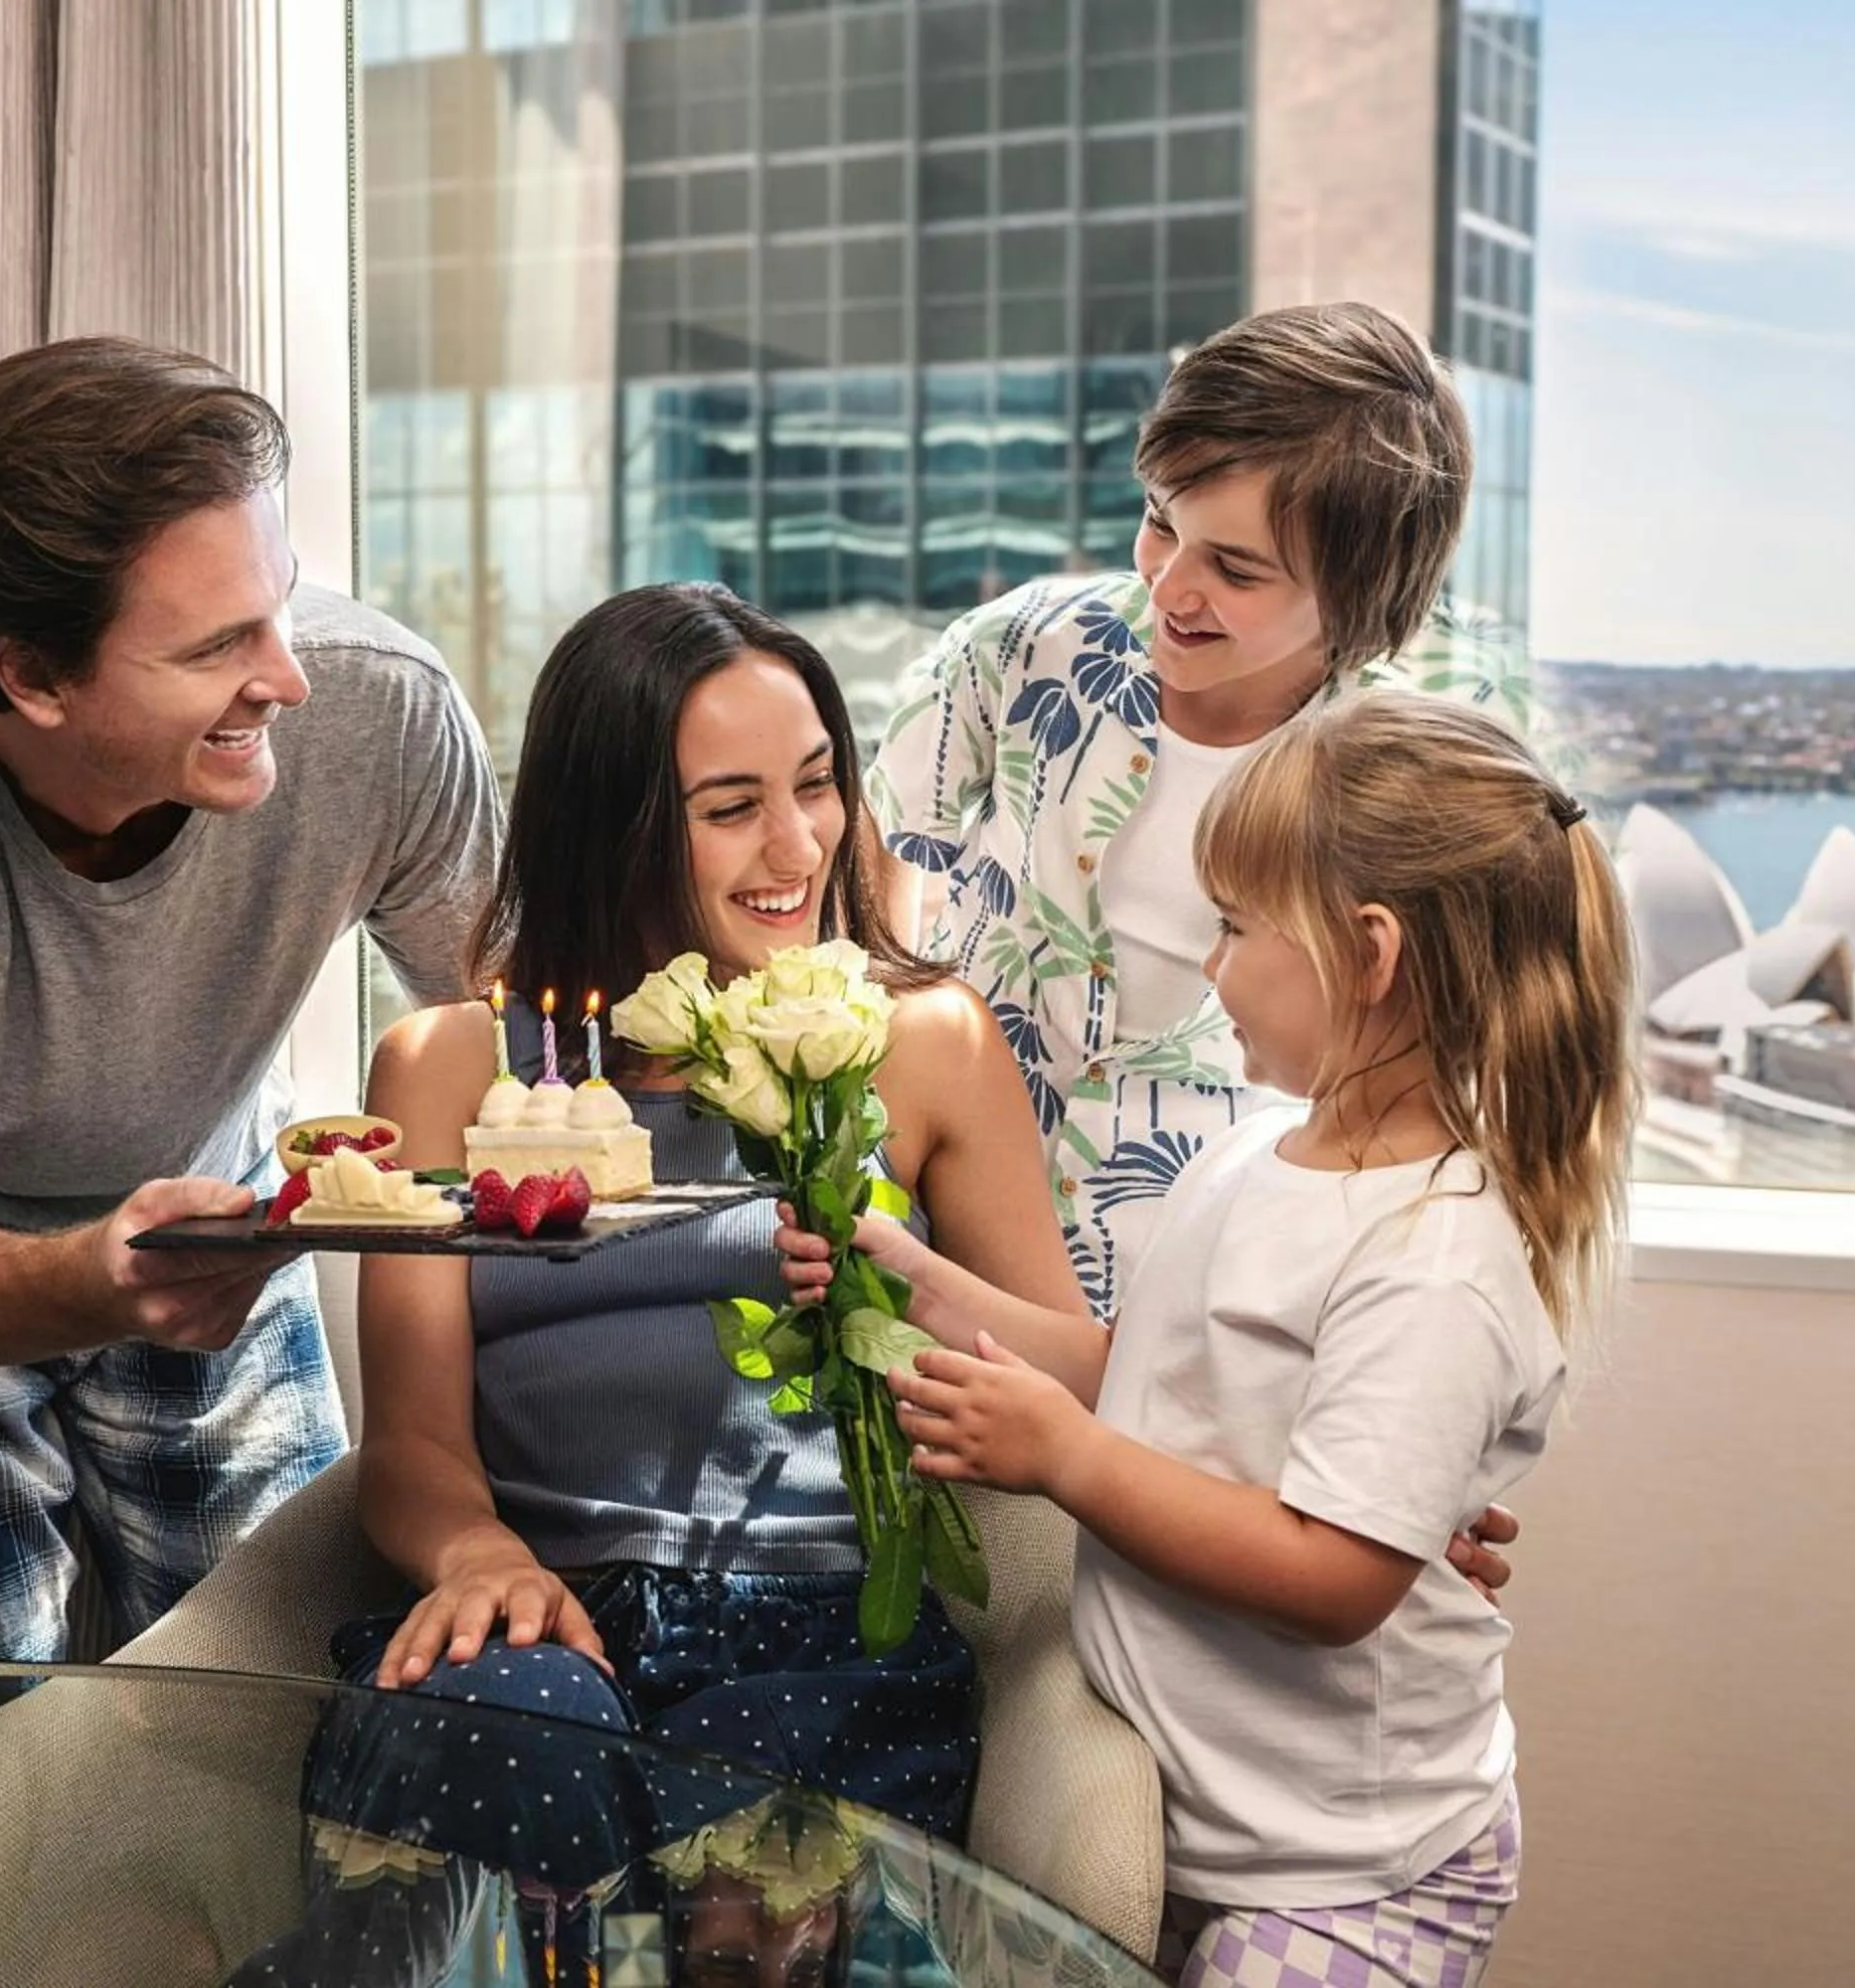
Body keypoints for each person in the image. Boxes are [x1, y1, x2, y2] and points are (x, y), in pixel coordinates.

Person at [233, 581, 1089, 1985]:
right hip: (539, 1607)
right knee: (515, 1741)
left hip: (816, 1636)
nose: (797, 844)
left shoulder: (921, 1039)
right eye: (731, 804)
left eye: (817, 786)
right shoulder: (450, 1066)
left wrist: (908, 1282)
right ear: (615, 827)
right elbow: (417, 1448)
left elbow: (1075, 1371)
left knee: (749, 1901)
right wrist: (476, 1555)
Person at [793, 691, 1637, 1987]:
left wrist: (1066, 1461)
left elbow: (1331, 1582)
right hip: (1213, 1834)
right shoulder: (1256, 1155)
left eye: (1241, 926)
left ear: (1369, 955)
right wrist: (904, 1282)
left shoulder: (1435, 1259)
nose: (1209, 959)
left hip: (1349, 1877)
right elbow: (1139, 1365)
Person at [0, 335, 500, 1671]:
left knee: (267, 1692)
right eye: (217, 645)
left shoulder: (384, 718)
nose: (290, 677)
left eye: (283, 605)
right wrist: (92, 1277)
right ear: (34, 677)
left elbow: (531, 1040)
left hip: (208, 1186)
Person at [868, 300, 1551, 1321]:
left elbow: (1473, 1043)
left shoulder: (1435, 750)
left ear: (1363, 593)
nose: (1168, 584)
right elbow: (871, 871)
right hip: (947, 1251)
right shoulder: (1017, 653)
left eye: (1234, 567)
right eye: (1159, 518)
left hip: (1247, 1294)